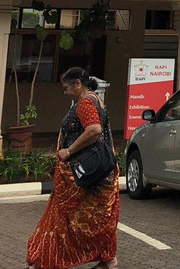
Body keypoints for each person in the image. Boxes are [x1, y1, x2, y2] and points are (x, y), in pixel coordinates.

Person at [26, 67, 119, 269]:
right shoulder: (96, 100)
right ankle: (108, 260)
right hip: (98, 174)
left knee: (66, 217)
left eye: (66, 87)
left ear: (78, 83)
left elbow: (94, 130)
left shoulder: (85, 102)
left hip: (84, 176)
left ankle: (45, 261)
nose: (65, 92)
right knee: (97, 220)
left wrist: (68, 151)